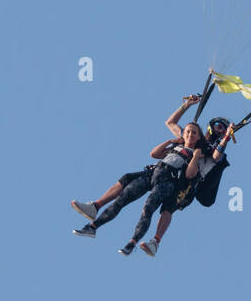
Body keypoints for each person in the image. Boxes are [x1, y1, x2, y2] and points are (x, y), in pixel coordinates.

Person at [69, 94, 201, 242]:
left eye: (193, 133)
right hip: (154, 172)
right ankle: (94, 214)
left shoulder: (200, 150)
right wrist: (187, 105)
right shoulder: (179, 140)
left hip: (168, 180)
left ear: (199, 137)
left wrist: (223, 138)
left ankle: (139, 241)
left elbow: (208, 159)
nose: (189, 134)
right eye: (188, 131)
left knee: (149, 207)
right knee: (125, 185)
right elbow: (169, 124)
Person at [137, 117, 233, 257]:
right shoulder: (192, 136)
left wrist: (227, 137)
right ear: (211, 126)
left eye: (223, 128)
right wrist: (187, 105)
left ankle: (155, 242)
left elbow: (216, 157)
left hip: (189, 184)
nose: (220, 130)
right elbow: (170, 123)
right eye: (219, 126)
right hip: (173, 175)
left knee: (169, 208)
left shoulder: (215, 150)